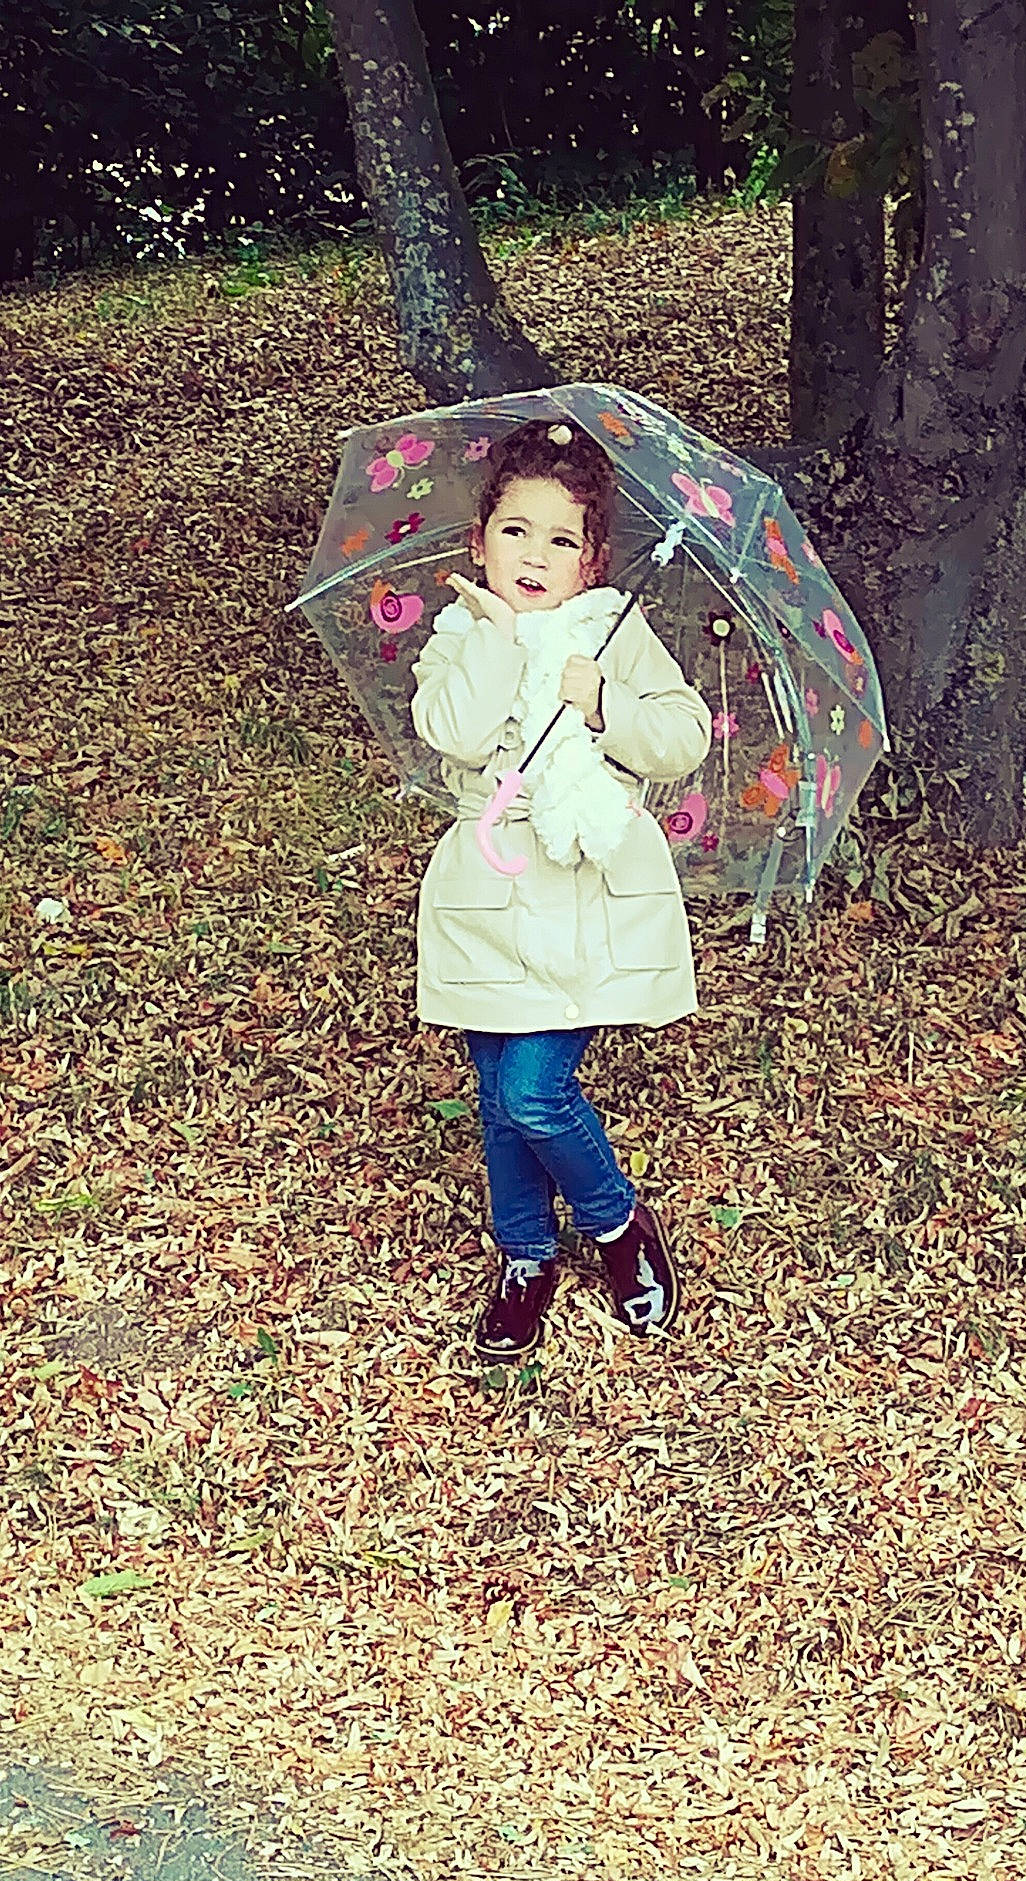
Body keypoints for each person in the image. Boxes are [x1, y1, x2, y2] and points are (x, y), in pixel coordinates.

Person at [410, 420, 710, 1362]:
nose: (534, 555)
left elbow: (682, 737)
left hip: (582, 886)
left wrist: (601, 702)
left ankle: (619, 1229)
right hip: (487, 896)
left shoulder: (610, 635)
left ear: (591, 563)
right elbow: (452, 732)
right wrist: (499, 642)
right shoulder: (457, 634)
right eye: (515, 531)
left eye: (561, 540)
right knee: (498, 1097)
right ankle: (526, 1257)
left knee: (538, 1093)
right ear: (479, 541)